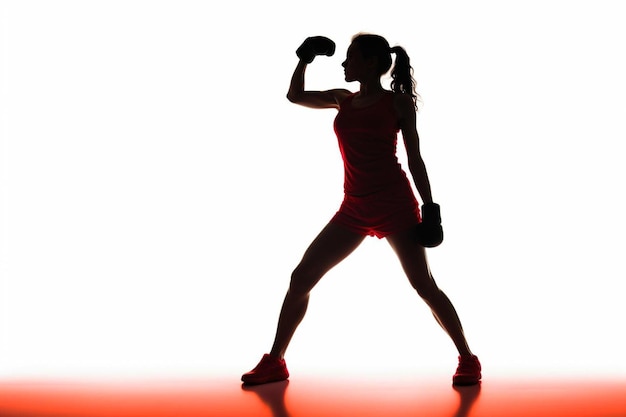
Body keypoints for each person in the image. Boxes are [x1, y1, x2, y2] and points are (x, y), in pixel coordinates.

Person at [241, 33, 481, 386]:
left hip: (394, 204)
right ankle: (275, 361)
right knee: (301, 278)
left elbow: (414, 156)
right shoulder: (343, 99)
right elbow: (295, 96)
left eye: (349, 56)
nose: (343, 63)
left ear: (370, 62)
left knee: (423, 285)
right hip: (353, 207)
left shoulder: (397, 103)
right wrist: (304, 58)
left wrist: (430, 206)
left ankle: (467, 358)